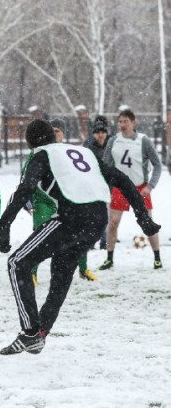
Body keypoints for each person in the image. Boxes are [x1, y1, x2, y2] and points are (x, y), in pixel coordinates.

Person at [0, 119, 160, 355]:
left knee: (17, 262)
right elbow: (121, 179)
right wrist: (142, 217)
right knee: (61, 275)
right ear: (53, 136)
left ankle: (30, 333)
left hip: (72, 218)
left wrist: (4, 227)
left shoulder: (41, 155)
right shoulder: (83, 152)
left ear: (30, 143)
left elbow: (25, 189)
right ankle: (41, 333)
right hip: (97, 221)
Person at [25, 118, 97, 283]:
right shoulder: (38, 152)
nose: (53, 134)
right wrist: (27, 200)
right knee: (40, 237)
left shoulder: (69, 152)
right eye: (51, 131)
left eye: (57, 131)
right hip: (43, 202)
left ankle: (83, 269)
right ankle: (32, 273)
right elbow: (25, 179)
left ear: (63, 134)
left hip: (67, 201)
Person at [98, 106, 163, 271]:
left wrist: (150, 186)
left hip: (140, 187)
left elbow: (157, 165)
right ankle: (109, 258)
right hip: (120, 188)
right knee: (113, 222)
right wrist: (107, 184)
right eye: (120, 121)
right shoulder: (113, 140)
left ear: (134, 122)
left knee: (147, 222)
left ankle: (157, 258)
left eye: (126, 121)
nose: (122, 124)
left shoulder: (143, 140)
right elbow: (106, 165)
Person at [82, 115, 111, 250]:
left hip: (107, 184)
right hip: (93, 183)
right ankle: (92, 240)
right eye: (98, 132)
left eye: (103, 132)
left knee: (105, 214)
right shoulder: (88, 145)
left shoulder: (111, 143)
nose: (100, 135)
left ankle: (104, 241)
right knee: (93, 215)